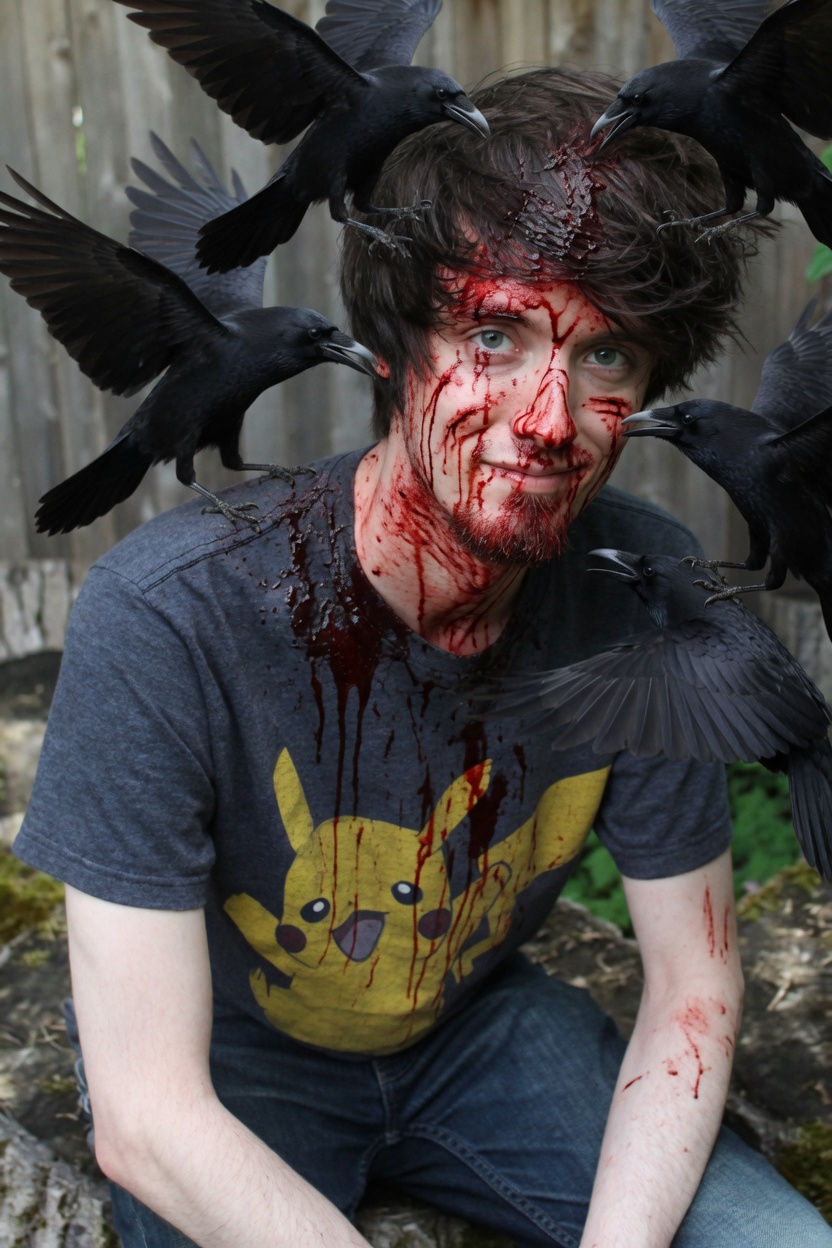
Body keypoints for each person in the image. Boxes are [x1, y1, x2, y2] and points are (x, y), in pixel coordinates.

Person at [14, 65, 832, 1248]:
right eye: (492, 336)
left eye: (606, 356)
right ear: (392, 349)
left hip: (480, 1034)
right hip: (235, 1063)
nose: (547, 419)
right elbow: (145, 1117)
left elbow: (693, 984)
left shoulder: (640, 587)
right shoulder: (169, 615)